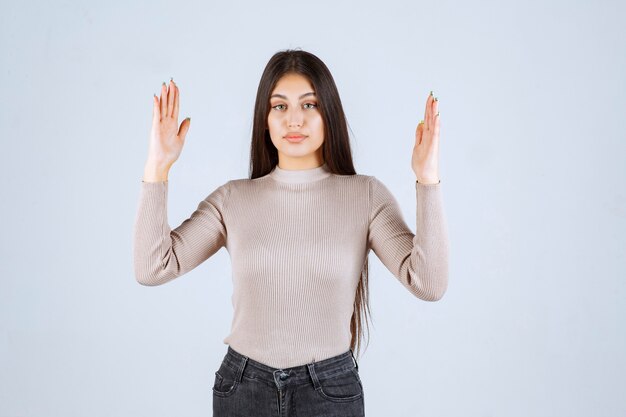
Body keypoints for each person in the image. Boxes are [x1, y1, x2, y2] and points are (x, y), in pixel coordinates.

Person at [133, 49, 449, 417]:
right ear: (264, 120)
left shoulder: (365, 196)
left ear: (329, 113)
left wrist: (427, 179)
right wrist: (157, 167)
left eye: (310, 105)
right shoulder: (233, 199)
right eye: (279, 106)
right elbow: (152, 267)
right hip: (243, 389)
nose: (294, 120)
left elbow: (428, 283)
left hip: (329, 392)